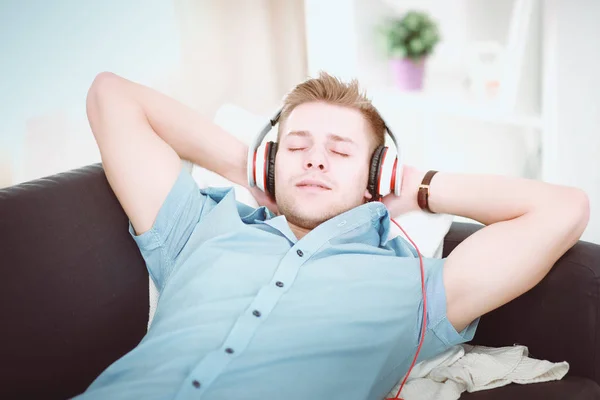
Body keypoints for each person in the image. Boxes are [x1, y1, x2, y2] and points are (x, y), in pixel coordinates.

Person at [75, 71, 589, 400]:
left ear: (375, 177)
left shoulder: (416, 287)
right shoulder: (201, 227)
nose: (316, 158)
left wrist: (416, 188)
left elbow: (565, 208)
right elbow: (110, 95)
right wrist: (255, 168)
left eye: (340, 152)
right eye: (297, 147)